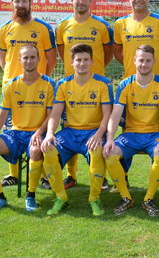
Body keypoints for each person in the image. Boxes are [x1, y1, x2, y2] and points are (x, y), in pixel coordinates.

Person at [0, 44, 55, 212]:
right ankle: (0, 198)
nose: (29, 61)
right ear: (19, 60)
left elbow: (51, 115)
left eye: (32, 57)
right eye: (25, 57)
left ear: (39, 59)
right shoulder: (11, 85)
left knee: (35, 151)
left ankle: (31, 196)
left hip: (37, 132)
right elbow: (2, 115)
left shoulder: (48, 84)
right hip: (16, 132)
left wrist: (39, 132)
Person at [40, 43, 113, 216]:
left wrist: (99, 134)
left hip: (93, 131)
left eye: (86, 60)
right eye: (78, 60)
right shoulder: (63, 84)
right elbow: (55, 115)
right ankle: (61, 197)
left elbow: (107, 116)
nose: (82, 63)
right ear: (71, 62)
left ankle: (94, 198)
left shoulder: (103, 84)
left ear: (92, 62)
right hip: (70, 132)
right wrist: (49, 134)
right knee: (48, 149)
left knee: (96, 152)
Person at [104, 44, 159, 217]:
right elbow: (115, 115)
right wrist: (110, 138)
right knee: (109, 153)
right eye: (141, 60)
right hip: (131, 134)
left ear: (154, 62)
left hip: (155, 134)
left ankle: (148, 199)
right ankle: (126, 197)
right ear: (134, 60)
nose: (144, 64)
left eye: (148, 61)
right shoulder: (125, 84)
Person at [0, 0, 56, 187]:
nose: (20, 5)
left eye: (24, 1)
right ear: (11, 4)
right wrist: (12, 78)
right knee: (11, 130)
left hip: (37, 89)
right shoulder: (5, 28)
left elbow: (51, 59)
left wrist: (39, 79)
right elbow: (2, 57)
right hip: (12, 89)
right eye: (17, 1)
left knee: (40, 131)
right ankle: (13, 174)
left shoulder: (42, 28)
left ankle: (43, 176)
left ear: (30, 4)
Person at [56, 0, 113, 189]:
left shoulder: (101, 26)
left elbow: (108, 54)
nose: (80, 2)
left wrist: (95, 70)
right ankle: (71, 175)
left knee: (100, 129)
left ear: (91, 1)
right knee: (69, 127)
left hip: (96, 86)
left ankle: (101, 176)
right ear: (72, 1)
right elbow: (63, 53)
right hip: (71, 87)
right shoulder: (63, 26)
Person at [113, 0, 159, 78]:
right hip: (131, 82)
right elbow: (117, 53)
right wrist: (131, 65)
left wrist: (156, 67)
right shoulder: (120, 24)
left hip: (156, 82)